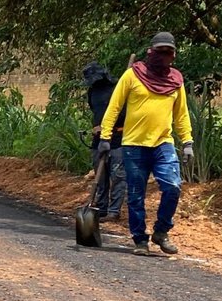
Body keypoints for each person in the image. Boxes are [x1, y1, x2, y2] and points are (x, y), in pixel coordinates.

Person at [96, 32, 194, 255]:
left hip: (163, 144)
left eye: (168, 52)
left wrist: (187, 142)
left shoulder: (176, 81)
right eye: (160, 51)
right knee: (136, 194)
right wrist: (105, 137)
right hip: (134, 145)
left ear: (174, 55)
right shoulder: (132, 75)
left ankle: (161, 231)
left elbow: (181, 115)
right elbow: (114, 107)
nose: (163, 56)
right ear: (150, 52)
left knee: (172, 186)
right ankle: (140, 239)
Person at [83, 61, 125, 220]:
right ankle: (101, 207)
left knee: (118, 176)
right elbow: (95, 110)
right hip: (98, 140)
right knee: (100, 176)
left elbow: (124, 113)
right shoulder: (92, 91)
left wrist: (107, 127)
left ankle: (114, 210)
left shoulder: (118, 89)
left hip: (117, 138)